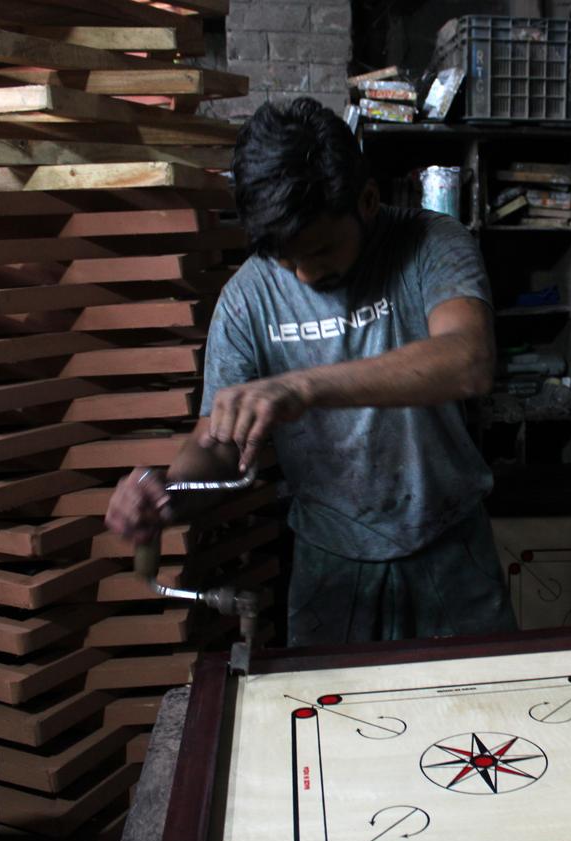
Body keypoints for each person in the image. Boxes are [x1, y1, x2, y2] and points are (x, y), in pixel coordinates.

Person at [105, 96, 517, 646]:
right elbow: (219, 439)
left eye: (319, 250)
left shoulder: (431, 244)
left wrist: (302, 387)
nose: (301, 275)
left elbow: (468, 359)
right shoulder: (246, 299)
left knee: (485, 717)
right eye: (284, 260)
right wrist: (168, 494)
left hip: (450, 548)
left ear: (367, 200)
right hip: (330, 569)